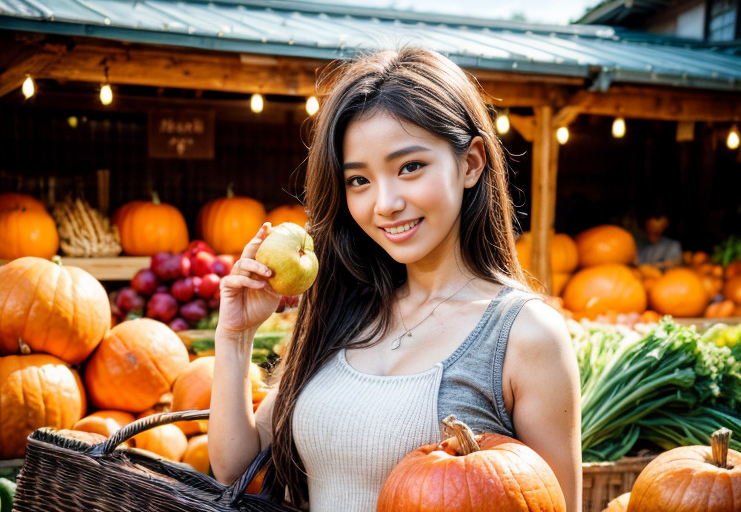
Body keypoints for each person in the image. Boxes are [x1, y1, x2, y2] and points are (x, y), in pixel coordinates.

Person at [208, 47, 582, 512]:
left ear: (471, 164)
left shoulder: (525, 335)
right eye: (359, 180)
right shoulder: (345, 307)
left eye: (409, 167)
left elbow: (553, 503)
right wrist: (236, 336)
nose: (384, 203)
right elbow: (232, 467)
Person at [635, 197, 683, 269]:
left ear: (666, 222)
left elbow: (673, 267)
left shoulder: (672, 246)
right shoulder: (638, 245)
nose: (653, 222)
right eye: (650, 218)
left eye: (657, 218)